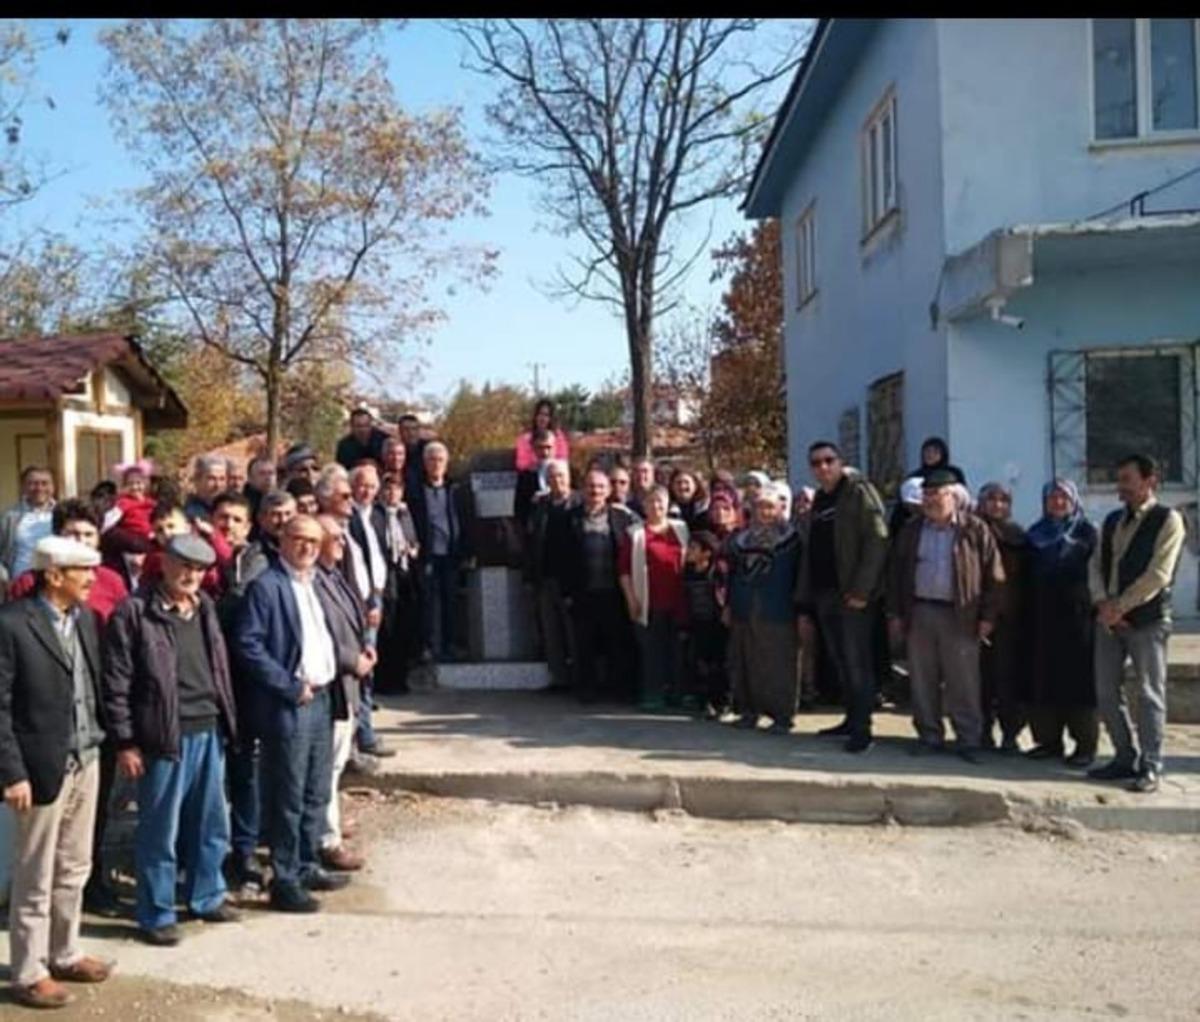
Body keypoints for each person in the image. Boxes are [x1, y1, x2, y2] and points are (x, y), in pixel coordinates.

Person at [104, 534, 242, 946]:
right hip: (163, 736)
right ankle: (157, 912)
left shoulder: (205, 609)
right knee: (159, 830)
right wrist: (125, 741)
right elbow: (117, 682)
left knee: (211, 823)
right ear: (163, 563)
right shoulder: (134, 613)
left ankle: (207, 894)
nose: (191, 576)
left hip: (208, 728)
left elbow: (218, 668)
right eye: (184, 566)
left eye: (199, 569)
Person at [0, 537, 113, 1009]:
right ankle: (29, 971)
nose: (92, 578)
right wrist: (12, 772)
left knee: (75, 865)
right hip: (40, 767)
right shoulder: (11, 625)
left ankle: (64, 952)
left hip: (86, 757)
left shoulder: (84, 618)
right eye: (82, 570)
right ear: (53, 575)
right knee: (36, 872)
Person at [233, 515, 353, 913]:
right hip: (291, 702)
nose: (306, 548)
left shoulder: (316, 583)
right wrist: (287, 685)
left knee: (316, 790)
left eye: (314, 542)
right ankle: (284, 879)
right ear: (282, 540)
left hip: (322, 699)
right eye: (299, 539)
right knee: (287, 793)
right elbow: (248, 645)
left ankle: (306, 864)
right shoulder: (267, 587)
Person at [887, 468, 1004, 763]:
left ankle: (969, 739)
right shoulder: (912, 530)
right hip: (921, 611)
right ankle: (929, 735)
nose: (930, 500)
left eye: (936, 494)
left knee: (963, 680)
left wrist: (988, 616)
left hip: (961, 614)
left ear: (952, 496)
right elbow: (897, 573)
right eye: (926, 495)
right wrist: (896, 613)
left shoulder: (974, 529)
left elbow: (994, 576)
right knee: (922, 678)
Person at [1088, 454, 1186, 794]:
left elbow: (1158, 574)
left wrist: (1121, 606)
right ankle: (1123, 756)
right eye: (1120, 479)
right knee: (1105, 691)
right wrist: (1102, 602)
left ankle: (1151, 764)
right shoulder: (1113, 520)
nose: (1121, 486)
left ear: (1149, 482)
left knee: (1149, 694)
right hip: (1109, 621)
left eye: (1127, 479)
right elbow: (1095, 564)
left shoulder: (1168, 520)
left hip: (1147, 621)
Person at [218, 489, 293, 892]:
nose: (281, 521)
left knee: (258, 768)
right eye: (274, 514)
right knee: (233, 770)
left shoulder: (273, 560)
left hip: (265, 680)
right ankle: (233, 849)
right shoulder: (239, 562)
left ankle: (257, 846)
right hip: (223, 680)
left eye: (287, 514)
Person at [794, 442, 889, 754]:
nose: (823, 467)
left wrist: (862, 590)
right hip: (826, 593)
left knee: (857, 661)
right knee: (840, 662)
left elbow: (877, 539)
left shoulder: (859, 492)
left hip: (853, 595)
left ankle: (863, 730)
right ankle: (851, 718)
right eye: (816, 463)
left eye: (828, 461)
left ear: (840, 462)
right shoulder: (821, 498)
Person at [313, 514, 376, 872]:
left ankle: (331, 825)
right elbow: (321, 636)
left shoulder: (335, 576)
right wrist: (353, 659)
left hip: (349, 684)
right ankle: (327, 840)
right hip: (333, 686)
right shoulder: (316, 582)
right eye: (334, 536)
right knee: (327, 767)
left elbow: (353, 621)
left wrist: (365, 649)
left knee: (335, 766)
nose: (341, 542)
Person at [1026, 479, 1099, 767]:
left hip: (1079, 618)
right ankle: (1048, 742)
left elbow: (1097, 573)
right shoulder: (1034, 534)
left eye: (1063, 497)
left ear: (1073, 500)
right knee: (1044, 680)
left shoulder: (1087, 533)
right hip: (1041, 619)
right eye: (1052, 497)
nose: (1057, 502)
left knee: (1080, 683)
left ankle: (1084, 746)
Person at [727, 485, 802, 732]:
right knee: (745, 660)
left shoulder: (792, 539)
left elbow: (800, 576)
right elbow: (733, 575)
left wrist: (802, 608)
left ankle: (782, 715)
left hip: (778, 608)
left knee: (778, 663)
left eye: (770, 507)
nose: (765, 512)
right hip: (744, 607)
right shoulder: (741, 539)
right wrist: (729, 603)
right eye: (760, 506)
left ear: (781, 508)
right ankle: (749, 711)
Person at [563, 470, 636, 702]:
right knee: (584, 644)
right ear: (583, 489)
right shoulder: (569, 518)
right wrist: (566, 592)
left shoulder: (621, 517)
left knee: (616, 642)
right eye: (591, 486)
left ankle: (618, 689)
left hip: (613, 592)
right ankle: (587, 690)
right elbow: (560, 557)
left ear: (608, 490)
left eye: (601, 487)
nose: (596, 491)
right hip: (583, 592)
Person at [619, 484, 688, 712]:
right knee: (652, 650)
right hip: (649, 600)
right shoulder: (635, 533)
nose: (656, 506)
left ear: (668, 504)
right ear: (644, 505)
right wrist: (631, 599)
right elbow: (624, 571)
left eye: (660, 501)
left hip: (679, 601)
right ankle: (653, 694)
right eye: (651, 501)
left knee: (678, 650)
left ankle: (679, 693)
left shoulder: (681, 529)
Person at [342, 463, 392, 758]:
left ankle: (366, 732)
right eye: (362, 485)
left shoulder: (377, 515)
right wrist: (368, 603)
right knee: (361, 668)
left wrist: (379, 596)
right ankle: (364, 735)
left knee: (369, 665)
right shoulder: (347, 520)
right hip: (358, 602)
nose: (368, 491)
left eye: (372, 486)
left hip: (376, 595)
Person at [408, 441, 473, 663]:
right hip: (427, 553)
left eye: (440, 460)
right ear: (424, 463)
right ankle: (426, 646)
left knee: (451, 601)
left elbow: (467, 520)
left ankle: (450, 645)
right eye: (431, 460)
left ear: (447, 464)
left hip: (451, 554)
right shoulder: (415, 491)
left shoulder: (456, 489)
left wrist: (466, 551)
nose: (436, 464)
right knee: (426, 602)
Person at [975, 482, 1028, 752]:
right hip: (977, 619)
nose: (997, 505)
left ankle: (1010, 734)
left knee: (1009, 679)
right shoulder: (971, 532)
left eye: (1003, 500)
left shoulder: (1018, 536)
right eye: (991, 499)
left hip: (1010, 620)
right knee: (980, 680)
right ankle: (982, 731)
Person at [523, 459, 578, 691]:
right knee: (551, 630)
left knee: (573, 631)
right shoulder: (540, 506)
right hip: (545, 577)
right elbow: (531, 539)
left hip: (573, 579)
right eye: (553, 477)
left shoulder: (578, 504)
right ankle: (559, 678)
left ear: (569, 479)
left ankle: (579, 677)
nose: (557, 480)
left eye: (561, 476)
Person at [375, 471, 420, 695]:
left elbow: (413, 538)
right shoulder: (376, 514)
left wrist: (412, 548)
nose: (392, 493)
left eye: (396, 489)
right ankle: (385, 680)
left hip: (405, 575)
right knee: (387, 629)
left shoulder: (405, 513)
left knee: (404, 626)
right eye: (388, 489)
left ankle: (401, 678)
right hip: (386, 575)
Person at [681, 530, 728, 717]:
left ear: (706, 552)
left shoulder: (718, 570)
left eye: (693, 548)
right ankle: (705, 702)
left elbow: (725, 597)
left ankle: (723, 703)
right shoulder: (689, 571)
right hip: (697, 623)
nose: (689, 551)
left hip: (717, 623)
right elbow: (685, 598)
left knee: (719, 664)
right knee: (700, 663)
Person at [0, 465, 57, 578]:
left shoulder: (63, 514)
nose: (39, 488)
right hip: (20, 582)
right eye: (33, 483)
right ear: (23, 487)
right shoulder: (9, 517)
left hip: (55, 582)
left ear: (53, 486)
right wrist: (3, 577)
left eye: (45, 483)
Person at [514, 430, 558, 530]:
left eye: (548, 447)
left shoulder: (568, 472)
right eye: (540, 448)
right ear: (533, 449)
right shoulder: (526, 476)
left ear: (555, 448)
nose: (545, 452)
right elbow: (520, 508)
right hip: (537, 531)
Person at [514, 399, 570, 472]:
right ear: (535, 416)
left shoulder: (558, 436)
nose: (542, 418)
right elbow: (521, 464)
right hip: (530, 475)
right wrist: (536, 462)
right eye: (540, 414)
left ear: (551, 418)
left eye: (546, 415)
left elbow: (563, 459)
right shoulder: (525, 438)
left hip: (552, 474)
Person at [111, 459, 157, 540]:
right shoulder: (123, 503)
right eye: (130, 484)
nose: (135, 487)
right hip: (132, 540)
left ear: (145, 484)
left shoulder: (152, 503)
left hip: (152, 538)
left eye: (138, 483)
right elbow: (110, 520)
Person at [185, 454, 229, 523]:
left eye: (222, 479)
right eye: (211, 479)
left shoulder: (230, 510)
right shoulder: (189, 513)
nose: (218, 485)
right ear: (197, 480)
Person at [397, 414, 428, 497]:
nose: (411, 433)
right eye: (406, 429)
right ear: (399, 431)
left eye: (414, 429)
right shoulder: (395, 451)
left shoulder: (428, 450)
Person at [244, 456, 277, 523]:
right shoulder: (243, 504)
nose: (268, 478)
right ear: (250, 478)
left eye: (271, 473)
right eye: (262, 473)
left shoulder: (281, 500)